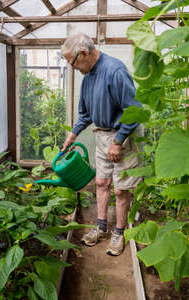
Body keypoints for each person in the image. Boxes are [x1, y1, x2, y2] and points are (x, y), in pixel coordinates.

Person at [61, 33, 142, 256]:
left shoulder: (114, 71)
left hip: (123, 136)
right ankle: (101, 227)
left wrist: (118, 141)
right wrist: (73, 134)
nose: (73, 67)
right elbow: (85, 114)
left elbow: (133, 110)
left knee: (121, 188)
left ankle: (119, 232)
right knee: (101, 182)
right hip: (103, 135)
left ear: (84, 54)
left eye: (72, 62)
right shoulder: (87, 79)